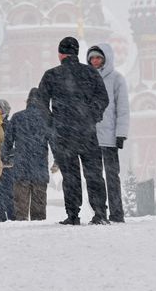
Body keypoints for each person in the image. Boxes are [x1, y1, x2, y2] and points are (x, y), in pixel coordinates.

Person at [37, 36, 110, 225]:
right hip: (87, 132)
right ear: (76, 53)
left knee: (70, 176)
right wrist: (91, 116)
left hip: (63, 134)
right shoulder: (91, 73)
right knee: (93, 173)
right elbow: (103, 99)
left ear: (60, 54)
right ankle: (100, 213)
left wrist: (53, 124)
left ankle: (72, 215)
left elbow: (41, 104)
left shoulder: (51, 75)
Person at [88, 44, 130, 223]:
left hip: (110, 137)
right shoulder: (87, 79)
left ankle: (117, 212)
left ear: (106, 59)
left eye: (98, 58)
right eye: (92, 58)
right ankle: (99, 212)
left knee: (112, 176)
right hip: (90, 137)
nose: (95, 61)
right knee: (94, 178)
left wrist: (121, 133)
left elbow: (122, 109)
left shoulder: (116, 79)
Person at [4, 87, 55, 220]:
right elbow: (54, 142)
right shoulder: (47, 118)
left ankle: (21, 226)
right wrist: (58, 160)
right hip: (40, 166)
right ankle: (38, 229)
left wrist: (5, 157)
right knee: (39, 205)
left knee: (20, 205)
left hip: (21, 165)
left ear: (28, 100)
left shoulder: (18, 117)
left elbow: (7, 141)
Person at [0, 99, 15, 222]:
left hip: (4, 165)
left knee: (4, 195)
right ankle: (5, 218)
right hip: (3, 165)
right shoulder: (6, 125)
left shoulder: (7, 125)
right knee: (2, 195)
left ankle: (5, 218)